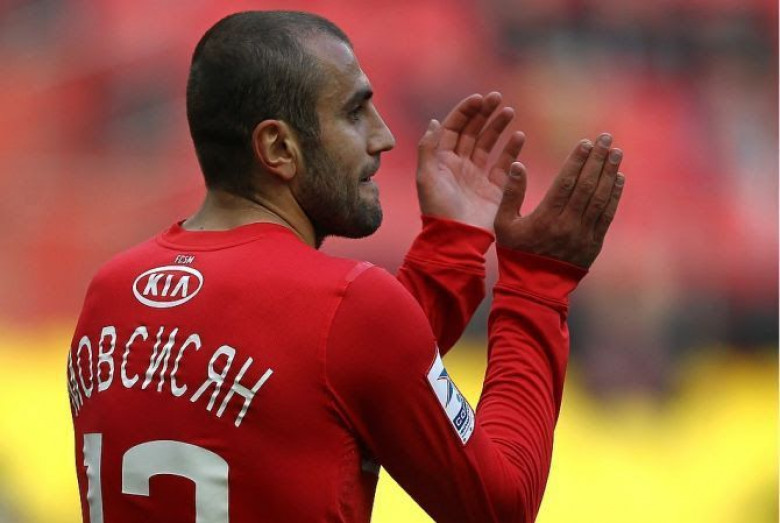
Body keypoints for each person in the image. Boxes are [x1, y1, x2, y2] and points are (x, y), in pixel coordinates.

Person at [66, 10, 625, 523]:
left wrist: (455, 241)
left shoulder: (109, 292)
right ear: (278, 148)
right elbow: (500, 508)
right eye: (354, 112)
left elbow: (333, 377)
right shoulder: (347, 305)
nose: (384, 137)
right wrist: (536, 285)